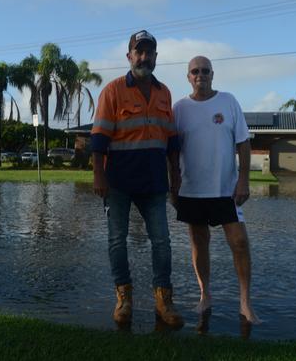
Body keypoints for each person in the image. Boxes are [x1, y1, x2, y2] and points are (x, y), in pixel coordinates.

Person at [91, 30, 184, 329]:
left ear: (156, 57)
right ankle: (124, 298)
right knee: (117, 241)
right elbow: (99, 139)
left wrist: (176, 175)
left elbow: (171, 140)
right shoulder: (113, 90)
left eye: (149, 52)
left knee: (162, 242)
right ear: (129, 56)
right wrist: (98, 174)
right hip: (118, 182)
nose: (144, 57)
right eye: (138, 51)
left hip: (155, 182)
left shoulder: (164, 92)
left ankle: (163, 301)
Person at [173, 56, 260, 338]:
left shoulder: (229, 101)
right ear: (188, 77)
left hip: (226, 189)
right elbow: (172, 152)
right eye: (195, 71)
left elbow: (243, 143)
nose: (200, 75)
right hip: (192, 189)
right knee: (199, 242)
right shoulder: (179, 109)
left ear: (213, 74)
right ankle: (205, 294)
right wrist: (172, 186)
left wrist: (244, 180)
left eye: (205, 71)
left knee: (239, 241)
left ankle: (245, 302)